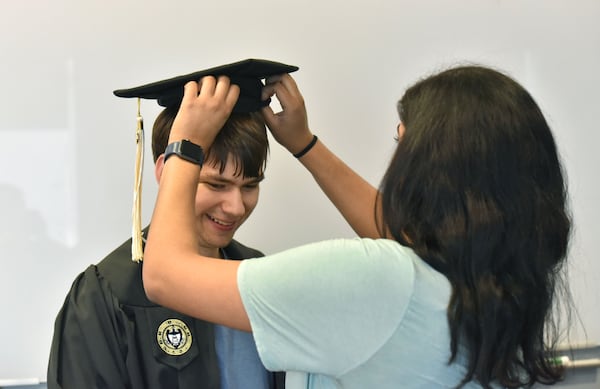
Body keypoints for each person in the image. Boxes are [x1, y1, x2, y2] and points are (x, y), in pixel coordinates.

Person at [141, 65, 572, 388]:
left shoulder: (373, 280)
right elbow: (402, 238)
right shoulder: (490, 284)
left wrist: (186, 146)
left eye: (401, 142)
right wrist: (304, 143)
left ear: (430, 169)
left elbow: (164, 275)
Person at [47, 105, 285, 388]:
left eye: (249, 186)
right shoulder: (106, 294)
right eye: (217, 185)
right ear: (169, 172)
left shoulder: (257, 275)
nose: (235, 207)